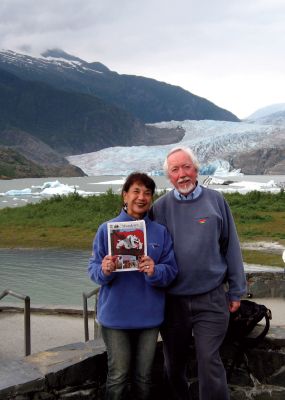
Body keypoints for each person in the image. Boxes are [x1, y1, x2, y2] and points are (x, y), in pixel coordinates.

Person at [150, 147, 246, 400]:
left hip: (212, 299)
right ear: (168, 176)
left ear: (197, 169)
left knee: (209, 361)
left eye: (186, 167)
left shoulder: (216, 201)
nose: (182, 174)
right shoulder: (159, 208)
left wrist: (236, 289)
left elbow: (231, 246)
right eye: (175, 169)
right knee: (174, 364)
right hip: (172, 302)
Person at [88, 172, 178, 400]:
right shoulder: (106, 230)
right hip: (115, 317)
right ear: (125, 195)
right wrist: (105, 270)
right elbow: (93, 271)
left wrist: (155, 270)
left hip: (149, 317)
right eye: (136, 191)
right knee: (118, 376)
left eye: (147, 193)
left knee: (144, 378)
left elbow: (171, 271)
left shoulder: (160, 232)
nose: (142, 197)